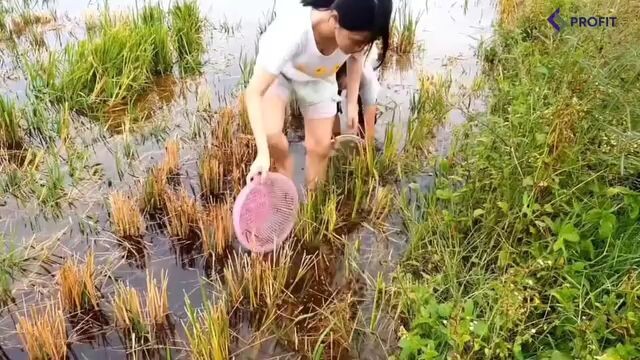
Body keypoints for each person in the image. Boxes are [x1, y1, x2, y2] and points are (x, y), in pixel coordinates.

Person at [244, 0, 392, 189]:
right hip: (280, 74)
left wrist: (352, 104)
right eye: (357, 42)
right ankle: (284, 178)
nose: (359, 48)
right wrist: (262, 153)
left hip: (320, 77)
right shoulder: (293, 32)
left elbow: (356, 59)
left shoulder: (356, 34)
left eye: (365, 43)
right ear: (335, 19)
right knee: (271, 134)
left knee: (320, 148)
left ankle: (313, 202)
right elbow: (254, 92)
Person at [333, 61, 380, 142]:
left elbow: (369, 126)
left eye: (343, 86)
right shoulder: (333, 74)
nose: (342, 89)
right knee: (333, 108)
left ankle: (360, 138)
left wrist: (367, 147)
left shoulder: (369, 84)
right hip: (342, 69)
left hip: (362, 77)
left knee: (366, 122)